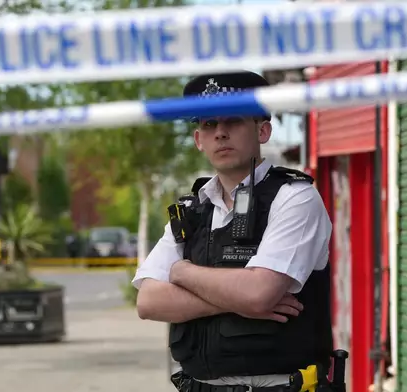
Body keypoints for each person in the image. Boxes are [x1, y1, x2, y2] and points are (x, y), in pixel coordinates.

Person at [131, 71, 334, 392]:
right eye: (209, 125)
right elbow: (149, 302)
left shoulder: (294, 197)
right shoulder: (193, 210)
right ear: (199, 139)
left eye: (233, 121)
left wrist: (181, 272)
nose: (220, 133)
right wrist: (235, 299)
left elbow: (258, 294)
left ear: (263, 130)